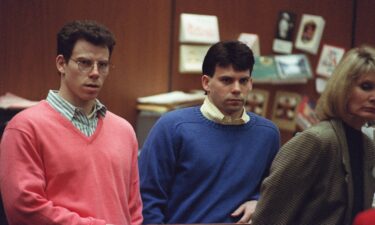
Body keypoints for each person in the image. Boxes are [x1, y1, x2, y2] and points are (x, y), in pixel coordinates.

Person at [0, 20, 143, 225]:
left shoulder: (124, 130)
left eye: (102, 65)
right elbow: (24, 207)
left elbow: (134, 209)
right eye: (84, 62)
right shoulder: (24, 128)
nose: (95, 73)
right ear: (61, 63)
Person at [139, 40, 280, 224]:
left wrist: (259, 202)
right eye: (226, 80)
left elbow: (277, 192)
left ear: (251, 83)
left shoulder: (268, 134)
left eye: (243, 80)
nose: (237, 89)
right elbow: (147, 198)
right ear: (206, 82)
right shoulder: (172, 127)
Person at [251, 45, 375, 225]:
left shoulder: (367, 145)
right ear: (344, 88)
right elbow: (269, 218)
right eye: (366, 87)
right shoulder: (315, 141)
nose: (374, 96)